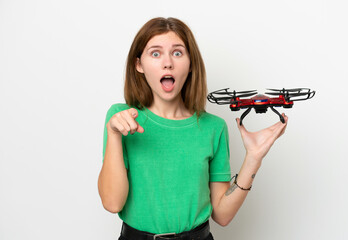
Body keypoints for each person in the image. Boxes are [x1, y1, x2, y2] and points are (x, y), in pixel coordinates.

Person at [98, 17, 288, 240]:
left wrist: (254, 158)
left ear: (190, 65)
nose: (167, 63)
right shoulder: (120, 119)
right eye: (155, 53)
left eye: (177, 53)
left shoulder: (213, 128)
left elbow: (223, 215)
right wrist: (113, 134)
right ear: (139, 64)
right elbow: (112, 203)